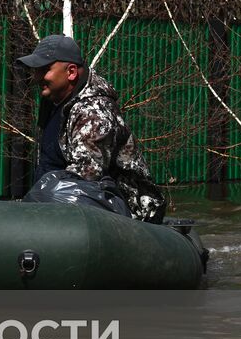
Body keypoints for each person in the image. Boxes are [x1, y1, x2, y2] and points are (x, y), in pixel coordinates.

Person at [16, 34, 167, 222]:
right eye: (36, 70)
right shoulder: (53, 102)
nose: (37, 77)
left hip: (128, 214)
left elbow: (85, 176)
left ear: (71, 72)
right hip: (62, 208)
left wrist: (38, 201)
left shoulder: (94, 113)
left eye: (44, 70)